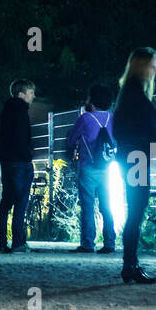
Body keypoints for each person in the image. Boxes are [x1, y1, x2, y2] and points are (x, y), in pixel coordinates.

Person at [112, 47, 156, 284]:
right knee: (136, 210)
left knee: (136, 209)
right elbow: (142, 130)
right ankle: (130, 264)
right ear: (143, 67)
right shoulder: (136, 94)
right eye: (153, 65)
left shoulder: (128, 93)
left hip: (132, 156)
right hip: (137, 157)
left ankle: (130, 263)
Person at [68, 84, 117, 254]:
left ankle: (88, 243)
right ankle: (110, 242)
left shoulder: (85, 118)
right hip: (108, 167)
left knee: (88, 206)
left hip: (88, 167)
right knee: (107, 205)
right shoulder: (113, 118)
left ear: (92, 100)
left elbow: (71, 139)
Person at [0, 79, 35, 253]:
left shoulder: (5, 112)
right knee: (21, 203)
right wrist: (28, 157)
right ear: (21, 94)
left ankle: (1, 242)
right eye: (30, 92)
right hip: (20, 163)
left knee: (6, 202)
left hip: (6, 161)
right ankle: (18, 242)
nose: (33, 96)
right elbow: (21, 138)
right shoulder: (21, 111)